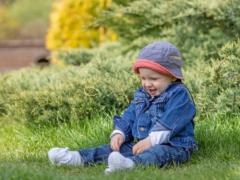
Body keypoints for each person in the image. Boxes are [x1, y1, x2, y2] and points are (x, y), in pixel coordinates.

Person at [48, 41, 197, 174]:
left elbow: (171, 121)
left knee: (158, 153)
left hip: (174, 145)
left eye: (153, 79)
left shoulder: (179, 95)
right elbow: (130, 115)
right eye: (143, 78)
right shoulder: (143, 94)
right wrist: (120, 133)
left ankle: (130, 165)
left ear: (172, 76)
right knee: (115, 149)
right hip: (141, 142)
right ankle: (76, 158)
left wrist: (151, 141)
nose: (147, 84)